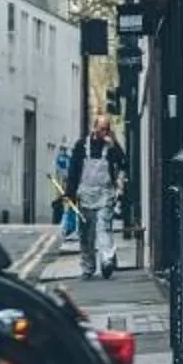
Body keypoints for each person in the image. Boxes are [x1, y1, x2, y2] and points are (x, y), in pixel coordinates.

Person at [63, 117, 125, 279]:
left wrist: (115, 146)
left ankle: (106, 260)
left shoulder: (110, 146)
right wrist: (70, 193)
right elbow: (74, 170)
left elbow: (124, 163)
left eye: (107, 129)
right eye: (101, 128)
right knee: (85, 233)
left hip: (105, 193)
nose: (104, 132)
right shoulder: (81, 145)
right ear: (94, 127)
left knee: (103, 227)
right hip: (84, 194)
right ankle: (88, 268)